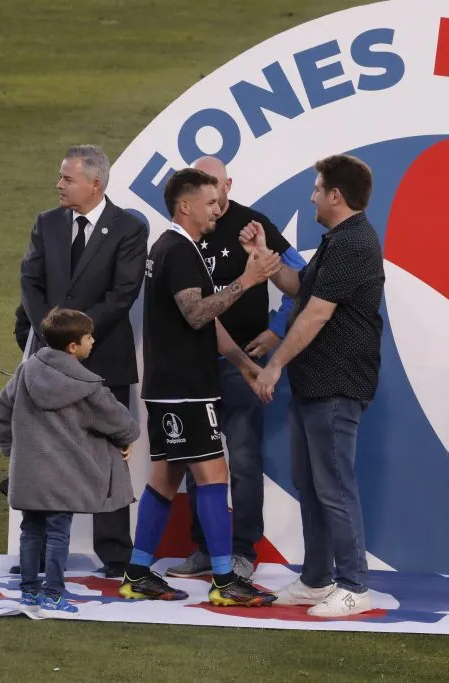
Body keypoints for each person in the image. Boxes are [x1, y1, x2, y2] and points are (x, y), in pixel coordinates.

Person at [118, 168, 279, 607]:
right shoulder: (180, 250)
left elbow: (206, 322)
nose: (217, 209)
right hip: (184, 388)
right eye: (210, 202)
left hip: (172, 386)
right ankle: (226, 580)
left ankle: (137, 572)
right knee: (214, 475)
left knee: (165, 478)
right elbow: (196, 314)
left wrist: (244, 365)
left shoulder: (172, 248)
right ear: (185, 205)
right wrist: (248, 279)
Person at [244, 154, 384, 618]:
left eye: (318, 188)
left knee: (334, 487)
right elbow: (299, 288)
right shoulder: (338, 240)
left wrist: (274, 365)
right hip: (315, 384)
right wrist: (264, 258)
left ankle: (354, 585)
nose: (312, 196)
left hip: (336, 383)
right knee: (313, 484)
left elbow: (316, 314)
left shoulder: (353, 243)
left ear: (335, 196)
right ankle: (316, 578)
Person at [166, 156, 306, 580]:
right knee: (197, 459)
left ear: (230, 183)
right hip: (194, 363)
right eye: (201, 183)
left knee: (243, 459)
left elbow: (302, 279)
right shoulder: (184, 232)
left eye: (214, 183)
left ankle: (243, 550)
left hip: (241, 364)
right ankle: (205, 549)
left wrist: (278, 330)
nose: (209, 192)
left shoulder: (253, 224)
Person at [19, 144, 147, 577]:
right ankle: (34, 555)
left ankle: (114, 554)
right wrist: (51, 335)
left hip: (104, 355)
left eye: (67, 178)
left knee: (109, 455)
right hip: (50, 361)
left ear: (95, 184)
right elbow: (31, 281)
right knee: (44, 450)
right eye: (60, 177)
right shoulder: (46, 223)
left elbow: (122, 294)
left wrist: (76, 336)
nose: (59, 185)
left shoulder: (128, 228)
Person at [0, 308, 138, 618]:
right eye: (88, 337)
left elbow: (1, 411)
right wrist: (126, 437)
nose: (93, 340)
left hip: (28, 472)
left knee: (30, 531)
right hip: (64, 475)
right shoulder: (86, 383)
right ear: (73, 346)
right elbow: (118, 419)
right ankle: (54, 594)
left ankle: (29, 591)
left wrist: (11, 450)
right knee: (58, 533)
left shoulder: (25, 372)